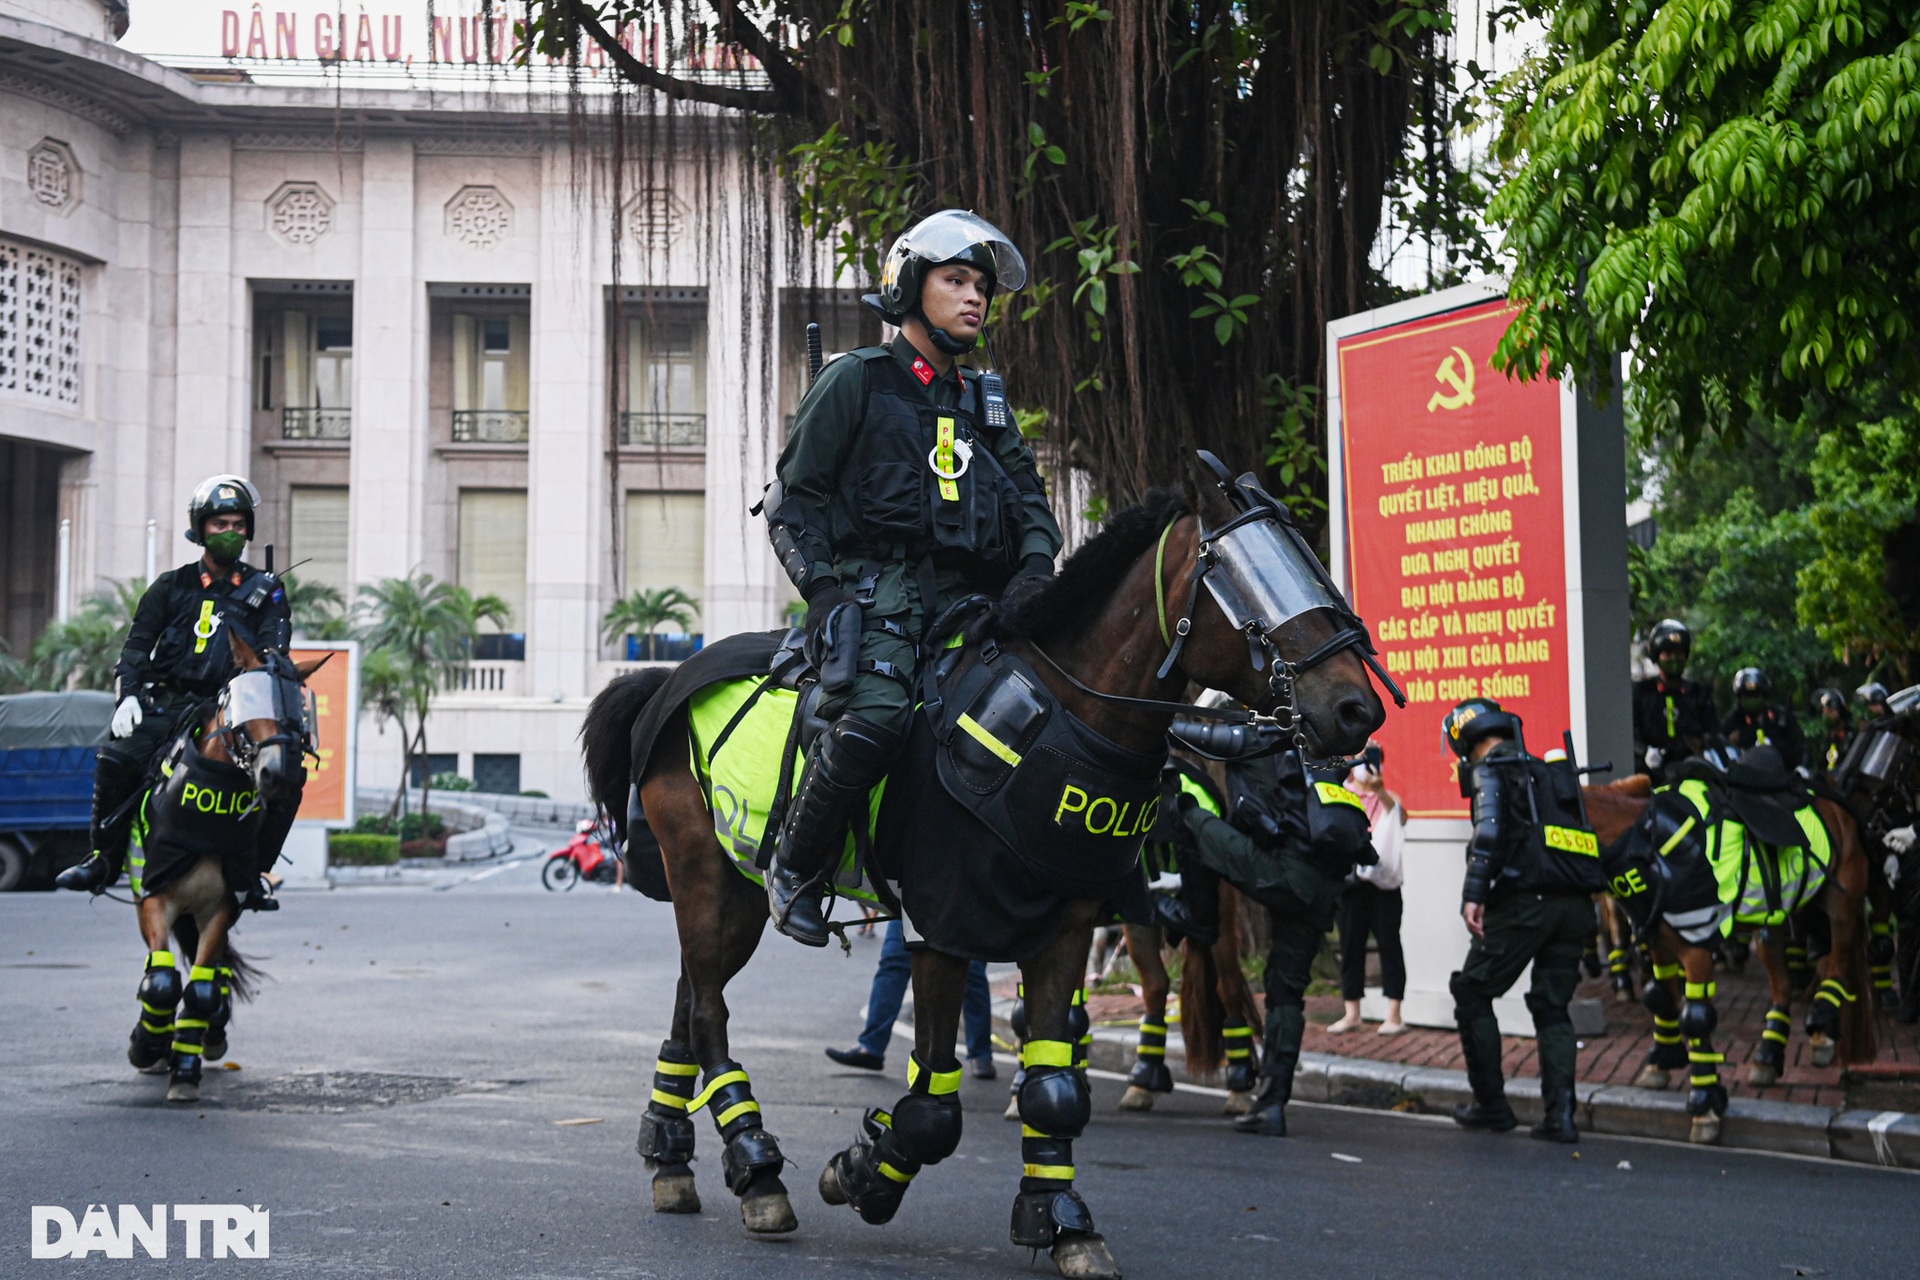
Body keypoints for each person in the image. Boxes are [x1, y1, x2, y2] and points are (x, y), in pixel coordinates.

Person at [762, 209, 1063, 946]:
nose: (974, 298)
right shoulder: (856, 382)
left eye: (982, 288)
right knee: (877, 721)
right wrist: (825, 592)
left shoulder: (987, 404)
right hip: (879, 597)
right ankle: (796, 868)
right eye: (956, 280)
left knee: (1057, 718)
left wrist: (1032, 569)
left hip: (977, 607)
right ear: (906, 287)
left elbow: (1031, 505)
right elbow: (792, 501)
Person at [57, 476, 300, 910]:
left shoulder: (268, 590)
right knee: (116, 758)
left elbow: (273, 652)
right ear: (201, 528)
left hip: (230, 708)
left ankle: (255, 874)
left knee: (289, 773)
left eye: (238, 524)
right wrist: (127, 694)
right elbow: (136, 647)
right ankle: (103, 858)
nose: (230, 532)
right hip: (169, 701)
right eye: (220, 523)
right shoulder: (170, 586)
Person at [1177, 741, 1377, 1136]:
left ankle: (1193, 918)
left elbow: (1197, 736)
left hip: (1284, 874)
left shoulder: (1260, 736)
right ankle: (1271, 1104)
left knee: (1188, 812)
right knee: (1285, 992)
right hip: (1323, 888)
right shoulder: (1322, 752)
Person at [1441, 697, 1602, 1145]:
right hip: (1575, 905)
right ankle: (1561, 1116)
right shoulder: (1550, 771)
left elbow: (1488, 834)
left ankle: (1492, 1106)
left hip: (1526, 901)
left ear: (1463, 740)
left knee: (1472, 991)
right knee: (1552, 1006)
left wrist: (1474, 895)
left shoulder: (1490, 770)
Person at [825, 920, 998, 1079]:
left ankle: (980, 1053)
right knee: (894, 961)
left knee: (969, 968)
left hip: (959, 896)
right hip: (911, 896)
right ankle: (871, 1047)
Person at [1326, 744, 1407, 1036]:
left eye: (1373, 759)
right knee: (1350, 945)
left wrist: (1380, 791)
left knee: (1390, 945)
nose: (1367, 764)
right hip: (1351, 883)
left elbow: (1400, 815)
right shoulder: (1341, 794)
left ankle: (1394, 1015)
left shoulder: (1388, 797)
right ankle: (1352, 1013)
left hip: (1383, 885)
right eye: (1361, 758)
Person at [1631, 619, 1717, 783]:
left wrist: (1702, 744)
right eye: (1667, 653)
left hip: (1691, 772)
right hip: (1650, 773)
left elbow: (1712, 731)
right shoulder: (1642, 692)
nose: (1673, 658)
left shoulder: (1699, 693)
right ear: (1657, 656)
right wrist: (1645, 751)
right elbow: (1629, 733)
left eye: (1679, 653)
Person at [1722, 666, 1805, 771]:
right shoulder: (1733, 722)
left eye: (1755, 695)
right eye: (1747, 695)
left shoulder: (1781, 719)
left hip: (1781, 779)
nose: (1751, 699)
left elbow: (1800, 748)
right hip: (1744, 780)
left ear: (1764, 696)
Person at [1811, 687, 1853, 773]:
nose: (1826, 715)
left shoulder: (1850, 734)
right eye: (1824, 711)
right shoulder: (1829, 736)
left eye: (1830, 711)